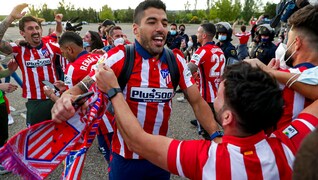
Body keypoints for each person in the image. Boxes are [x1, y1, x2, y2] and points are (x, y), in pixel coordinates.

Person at [51, 0, 218, 179]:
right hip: (125, 160)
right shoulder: (118, 57)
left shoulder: (175, 60)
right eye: (152, 22)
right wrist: (66, 98)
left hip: (161, 157)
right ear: (136, 29)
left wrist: (216, 136)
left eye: (164, 23)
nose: (160, 28)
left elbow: (197, 102)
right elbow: (79, 88)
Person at [93, 61, 318, 179]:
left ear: (227, 117)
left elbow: (137, 140)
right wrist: (273, 75)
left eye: (219, 94)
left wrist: (114, 91)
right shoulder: (291, 142)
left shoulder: (210, 160)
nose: (214, 96)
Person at [245, 4, 318, 133]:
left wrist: (265, 77)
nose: (285, 46)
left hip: (281, 150)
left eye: (287, 41)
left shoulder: (278, 80)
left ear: (297, 43)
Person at [0, 4, 63, 126]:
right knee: (37, 140)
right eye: (30, 28)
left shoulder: (50, 44)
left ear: (41, 30)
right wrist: (11, 17)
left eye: (36, 28)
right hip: (36, 102)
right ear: (22, 33)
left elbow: (59, 34)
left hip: (56, 97)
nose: (35, 31)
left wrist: (58, 22)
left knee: (60, 137)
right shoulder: (18, 49)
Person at [187, 23, 225, 138]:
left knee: (209, 132)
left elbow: (189, 69)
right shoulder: (219, 50)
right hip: (219, 96)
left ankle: (216, 153)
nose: (196, 35)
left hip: (207, 98)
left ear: (204, 35)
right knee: (225, 125)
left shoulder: (201, 51)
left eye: (198, 32)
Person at [0, 61, 18, 175]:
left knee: (2, 134)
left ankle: (3, 158)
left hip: (0, 101)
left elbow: (1, 74)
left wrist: (10, 70)